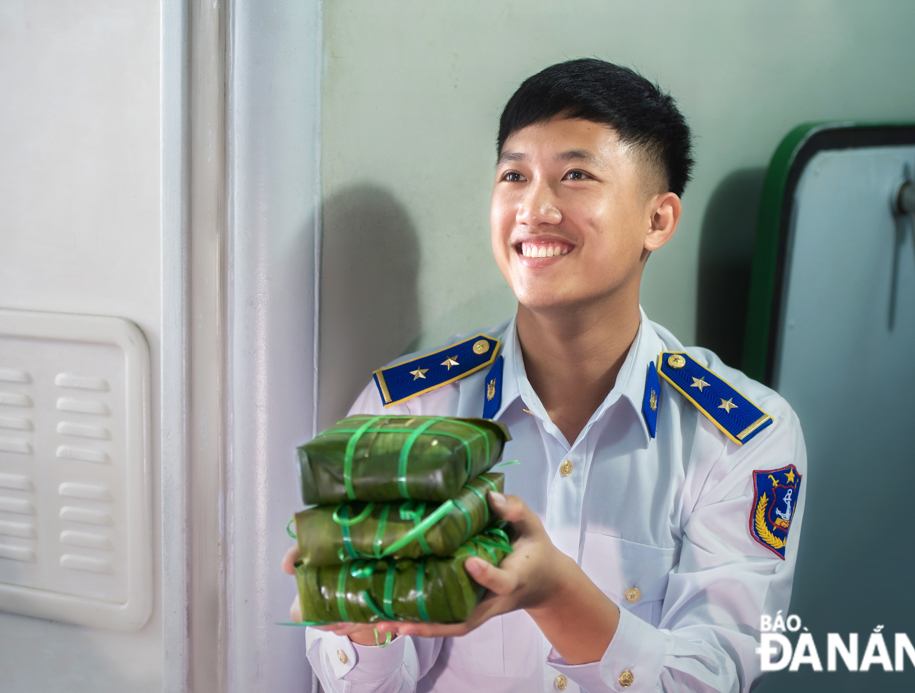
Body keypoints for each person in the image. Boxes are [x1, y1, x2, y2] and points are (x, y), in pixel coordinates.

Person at [282, 58, 806, 693]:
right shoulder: (410, 409)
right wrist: (367, 627)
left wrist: (555, 593)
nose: (534, 208)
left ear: (657, 220)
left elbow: (711, 677)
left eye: (576, 175)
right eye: (514, 175)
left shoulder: (741, 435)